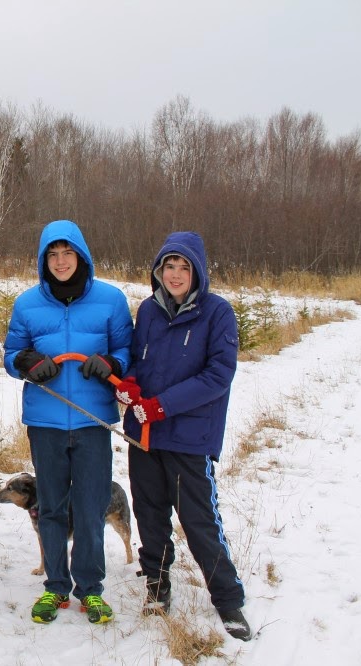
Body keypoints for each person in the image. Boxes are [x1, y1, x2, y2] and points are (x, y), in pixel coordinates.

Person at [114, 231, 252, 641]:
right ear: (158, 271)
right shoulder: (150, 312)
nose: (175, 274)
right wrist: (131, 386)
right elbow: (138, 361)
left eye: (183, 267)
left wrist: (163, 405)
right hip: (145, 438)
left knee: (199, 522)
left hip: (189, 439)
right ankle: (157, 587)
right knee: (149, 517)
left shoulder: (217, 313)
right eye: (168, 266)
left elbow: (218, 375)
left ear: (198, 272)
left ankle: (228, 601)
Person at [3, 220, 133, 625]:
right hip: (46, 422)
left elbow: (127, 351)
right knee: (52, 509)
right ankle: (56, 587)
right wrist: (26, 362)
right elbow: (11, 354)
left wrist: (111, 364)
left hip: (94, 422)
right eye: (53, 255)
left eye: (68, 253)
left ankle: (90, 590)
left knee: (91, 508)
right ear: (44, 260)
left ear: (82, 256)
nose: (61, 262)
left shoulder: (111, 300)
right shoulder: (27, 304)